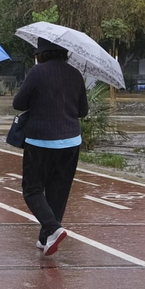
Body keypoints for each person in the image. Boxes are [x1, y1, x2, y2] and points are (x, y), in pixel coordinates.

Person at [12, 38, 89, 255]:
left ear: (41, 53)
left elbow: (18, 103)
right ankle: (46, 237)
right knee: (59, 190)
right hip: (71, 141)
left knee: (32, 189)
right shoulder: (75, 74)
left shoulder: (37, 72)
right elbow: (83, 111)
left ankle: (53, 228)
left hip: (40, 141)